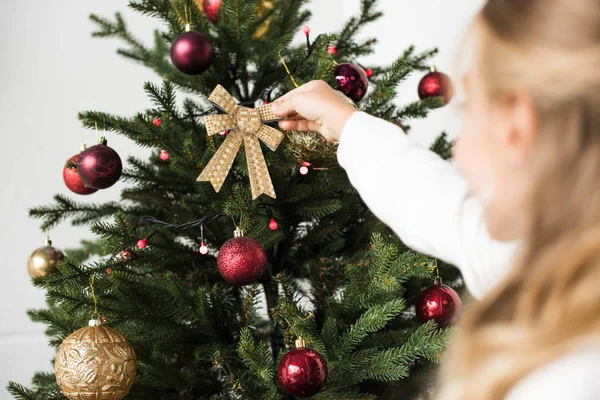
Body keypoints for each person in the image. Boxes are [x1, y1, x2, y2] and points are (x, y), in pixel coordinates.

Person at [271, 0, 600, 398]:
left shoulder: (566, 376)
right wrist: (346, 124)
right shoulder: (549, 269)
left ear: (518, 126)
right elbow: (442, 209)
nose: (458, 150)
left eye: (469, 111)